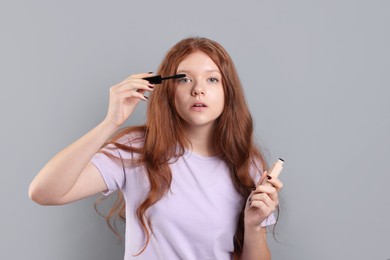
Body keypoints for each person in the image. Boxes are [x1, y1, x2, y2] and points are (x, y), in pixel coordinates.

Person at [29, 37, 283, 260]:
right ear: (168, 91)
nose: (198, 90)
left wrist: (253, 226)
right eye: (184, 79)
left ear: (228, 92)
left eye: (213, 79)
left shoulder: (247, 164)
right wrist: (112, 121)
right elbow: (44, 192)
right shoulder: (137, 150)